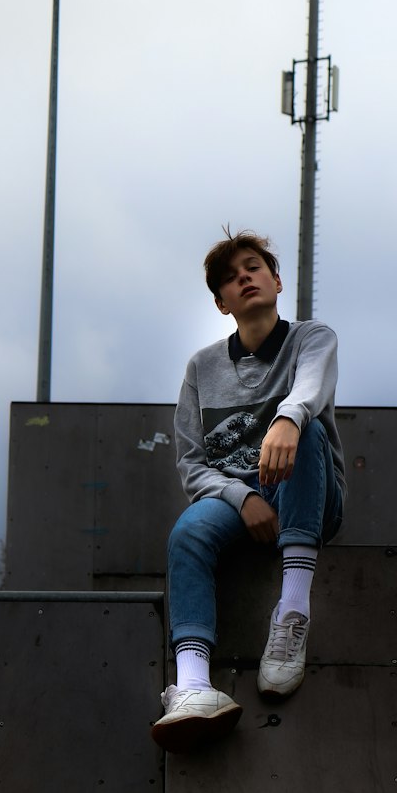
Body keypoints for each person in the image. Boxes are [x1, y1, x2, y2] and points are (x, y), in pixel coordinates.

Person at [151, 230, 345, 752]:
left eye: (254, 266)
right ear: (222, 303)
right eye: (230, 277)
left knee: (306, 430)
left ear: (276, 281)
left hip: (310, 494)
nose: (245, 276)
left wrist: (288, 418)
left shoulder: (313, 338)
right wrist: (244, 498)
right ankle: (192, 684)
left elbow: (308, 392)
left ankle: (292, 612)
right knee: (188, 533)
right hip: (242, 502)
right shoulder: (201, 368)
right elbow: (192, 463)